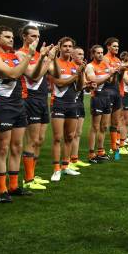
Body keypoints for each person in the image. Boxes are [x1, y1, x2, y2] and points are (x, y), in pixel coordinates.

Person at [0, 25, 51, 203]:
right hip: (2, 104)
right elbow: (13, 74)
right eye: (6, 37)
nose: (11, 39)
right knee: (3, 148)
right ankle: (2, 190)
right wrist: (30, 55)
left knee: (17, 147)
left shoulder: (14, 56)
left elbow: (32, 75)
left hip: (19, 104)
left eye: (12, 37)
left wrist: (43, 57)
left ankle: (13, 186)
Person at [16, 25, 55, 190]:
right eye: (32, 36)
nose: (36, 39)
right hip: (30, 99)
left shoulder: (40, 54)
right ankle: (28, 179)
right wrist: (45, 60)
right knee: (31, 140)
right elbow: (34, 76)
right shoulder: (20, 54)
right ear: (24, 37)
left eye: (38, 36)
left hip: (42, 98)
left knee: (39, 140)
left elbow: (55, 73)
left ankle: (32, 174)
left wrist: (49, 58)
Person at [48, 37, 86, 182]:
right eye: (65, 46)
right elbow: (60, 83)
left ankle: (66, 165)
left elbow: (79, 87)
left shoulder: (74, 65)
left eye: (70, 46)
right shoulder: (53, 63)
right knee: (58, 138)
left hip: (73, 104)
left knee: (70, 137)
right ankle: (56, 169)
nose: (68, 48)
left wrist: (81, 73)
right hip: (58, 103)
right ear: (60, 48)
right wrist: (76, 74)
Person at [85, 45, 116, 163]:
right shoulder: (90, 66)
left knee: (104, 126)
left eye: (102, 52)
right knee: (95, 126)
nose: (100, 54)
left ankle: (101, 151)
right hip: (97, 97)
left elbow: (112, 81)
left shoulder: (105, 64)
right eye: (97, 53)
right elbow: (94, 82)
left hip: (107, 96)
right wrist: (109, 74)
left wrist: (114, 73)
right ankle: (91, 153)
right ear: (92, 54)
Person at [69, 47, 92, 168]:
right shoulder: (70, 66)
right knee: (70, 134)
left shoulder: (81, 68)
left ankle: (74, 159)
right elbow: (76, 85)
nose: (81, 56)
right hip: (71, 102)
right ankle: (66, 161)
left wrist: (88, 85)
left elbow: (83, 85)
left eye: (82, 54)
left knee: (78, 133)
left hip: (80, 102)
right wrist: (85, 84)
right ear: (72, 55)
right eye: (78, 54)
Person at [103, 38, 125, 158]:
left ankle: (114, 148)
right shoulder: (105, 59)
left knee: (115, 122)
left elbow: (119, 79)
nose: (117, 48)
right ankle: (100, 150)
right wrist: (117, 70)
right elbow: (109, 77)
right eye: (114, 46)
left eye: (117, 46)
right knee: (104, 124)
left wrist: (121, 71)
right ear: (108, 47)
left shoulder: (117, 60)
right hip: (107, 92)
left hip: (116, 92)